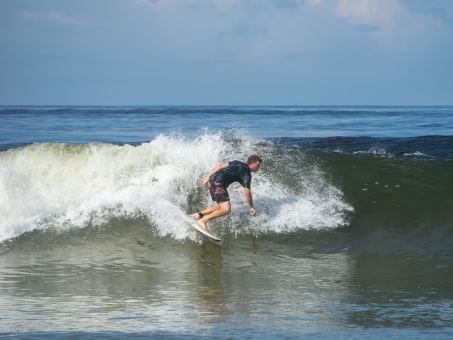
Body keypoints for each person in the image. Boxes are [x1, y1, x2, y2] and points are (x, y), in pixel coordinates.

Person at [192, 155, 262, 231]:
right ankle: (202, 221)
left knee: (220, 208)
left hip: (212, 181)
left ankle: (198, 215)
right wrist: (252, 207)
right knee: (226, 210)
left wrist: (208, 177)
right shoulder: (246, 173)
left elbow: (220, 166)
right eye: (257, 165)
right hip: (218, 183)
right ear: (251, 163)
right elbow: (247, 192)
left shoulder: (237, 163)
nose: (258, 168)